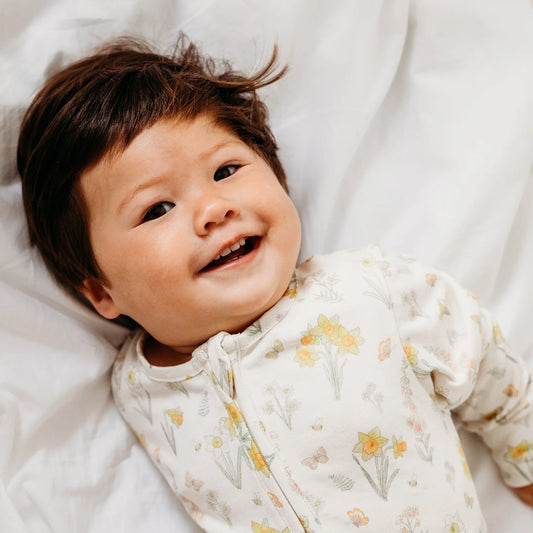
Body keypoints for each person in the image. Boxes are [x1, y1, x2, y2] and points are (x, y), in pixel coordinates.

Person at [17, 37, 533, 532]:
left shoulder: (369, 292)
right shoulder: (135, 387)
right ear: (103, 294)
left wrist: (524, 455)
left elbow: (487, 362)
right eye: (157, 209)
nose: (214, 209)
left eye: (226, 170)